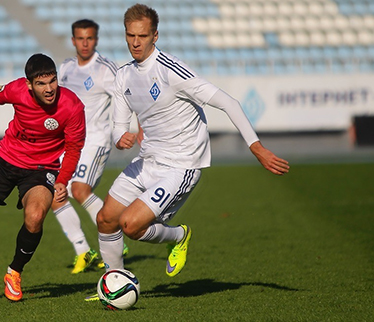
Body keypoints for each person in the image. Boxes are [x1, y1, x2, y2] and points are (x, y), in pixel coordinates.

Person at [86, 4, 289, 300]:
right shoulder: (123, 77)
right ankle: (113, 284)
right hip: (147, 161)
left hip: (181, 165)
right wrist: (122, 139)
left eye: (142, 35)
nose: (135, 42)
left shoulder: (172, 70)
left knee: (130, 225)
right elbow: (119, 127)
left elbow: (229, 102)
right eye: (130, 35)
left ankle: (179, 235)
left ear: (155, 36)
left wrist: (256, 147)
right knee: (105, 219)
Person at [0, 53, 86, 305]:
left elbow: (75, 147)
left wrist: (62, 180)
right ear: (29, 84)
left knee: (34, 217)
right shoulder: (16, 89)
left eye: (52, 81)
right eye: (41, 84)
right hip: (5, 159)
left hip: (42, 167)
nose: (49, 89)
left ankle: (14, 272)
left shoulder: (72, 105)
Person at [52, 19, 129, 274]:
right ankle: (83, 251)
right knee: (55, 193)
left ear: (96, 40)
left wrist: (130, 128)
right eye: (80, 38)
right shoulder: (65, 69)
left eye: (90, 38)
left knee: (79, 189)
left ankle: (114, 233)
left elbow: (126, 96)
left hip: (95, 139)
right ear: (73, 40)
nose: (85, 43)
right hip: (69, 142)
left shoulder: (106, 69)